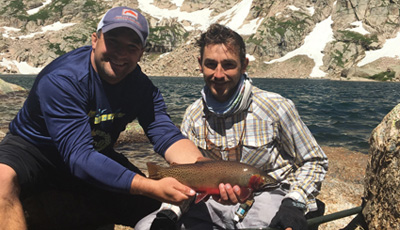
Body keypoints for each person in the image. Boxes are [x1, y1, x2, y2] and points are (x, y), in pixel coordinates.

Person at [0, 6, 205, 229]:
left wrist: (205, 169)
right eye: (113, 41)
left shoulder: (142, 88)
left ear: (141, 53)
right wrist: (149, 186)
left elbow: (165, 133)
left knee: (163, 210)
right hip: (35, 151)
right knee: (2, 180)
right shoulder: (63, 79)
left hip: (96, 152)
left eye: (132, 46)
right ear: (95, 40)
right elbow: (79, 156)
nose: (120, 53)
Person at [136, 23, 329, 230]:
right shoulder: (193, 115)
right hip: (208, 203)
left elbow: (315, 160)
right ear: (200, 64)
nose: (219, 74)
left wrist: (294, 204)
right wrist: (169, 214)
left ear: (244, 65)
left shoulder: (277, 107)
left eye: (228, 65)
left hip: (265, 200)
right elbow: (188, 175)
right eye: (211, 64)